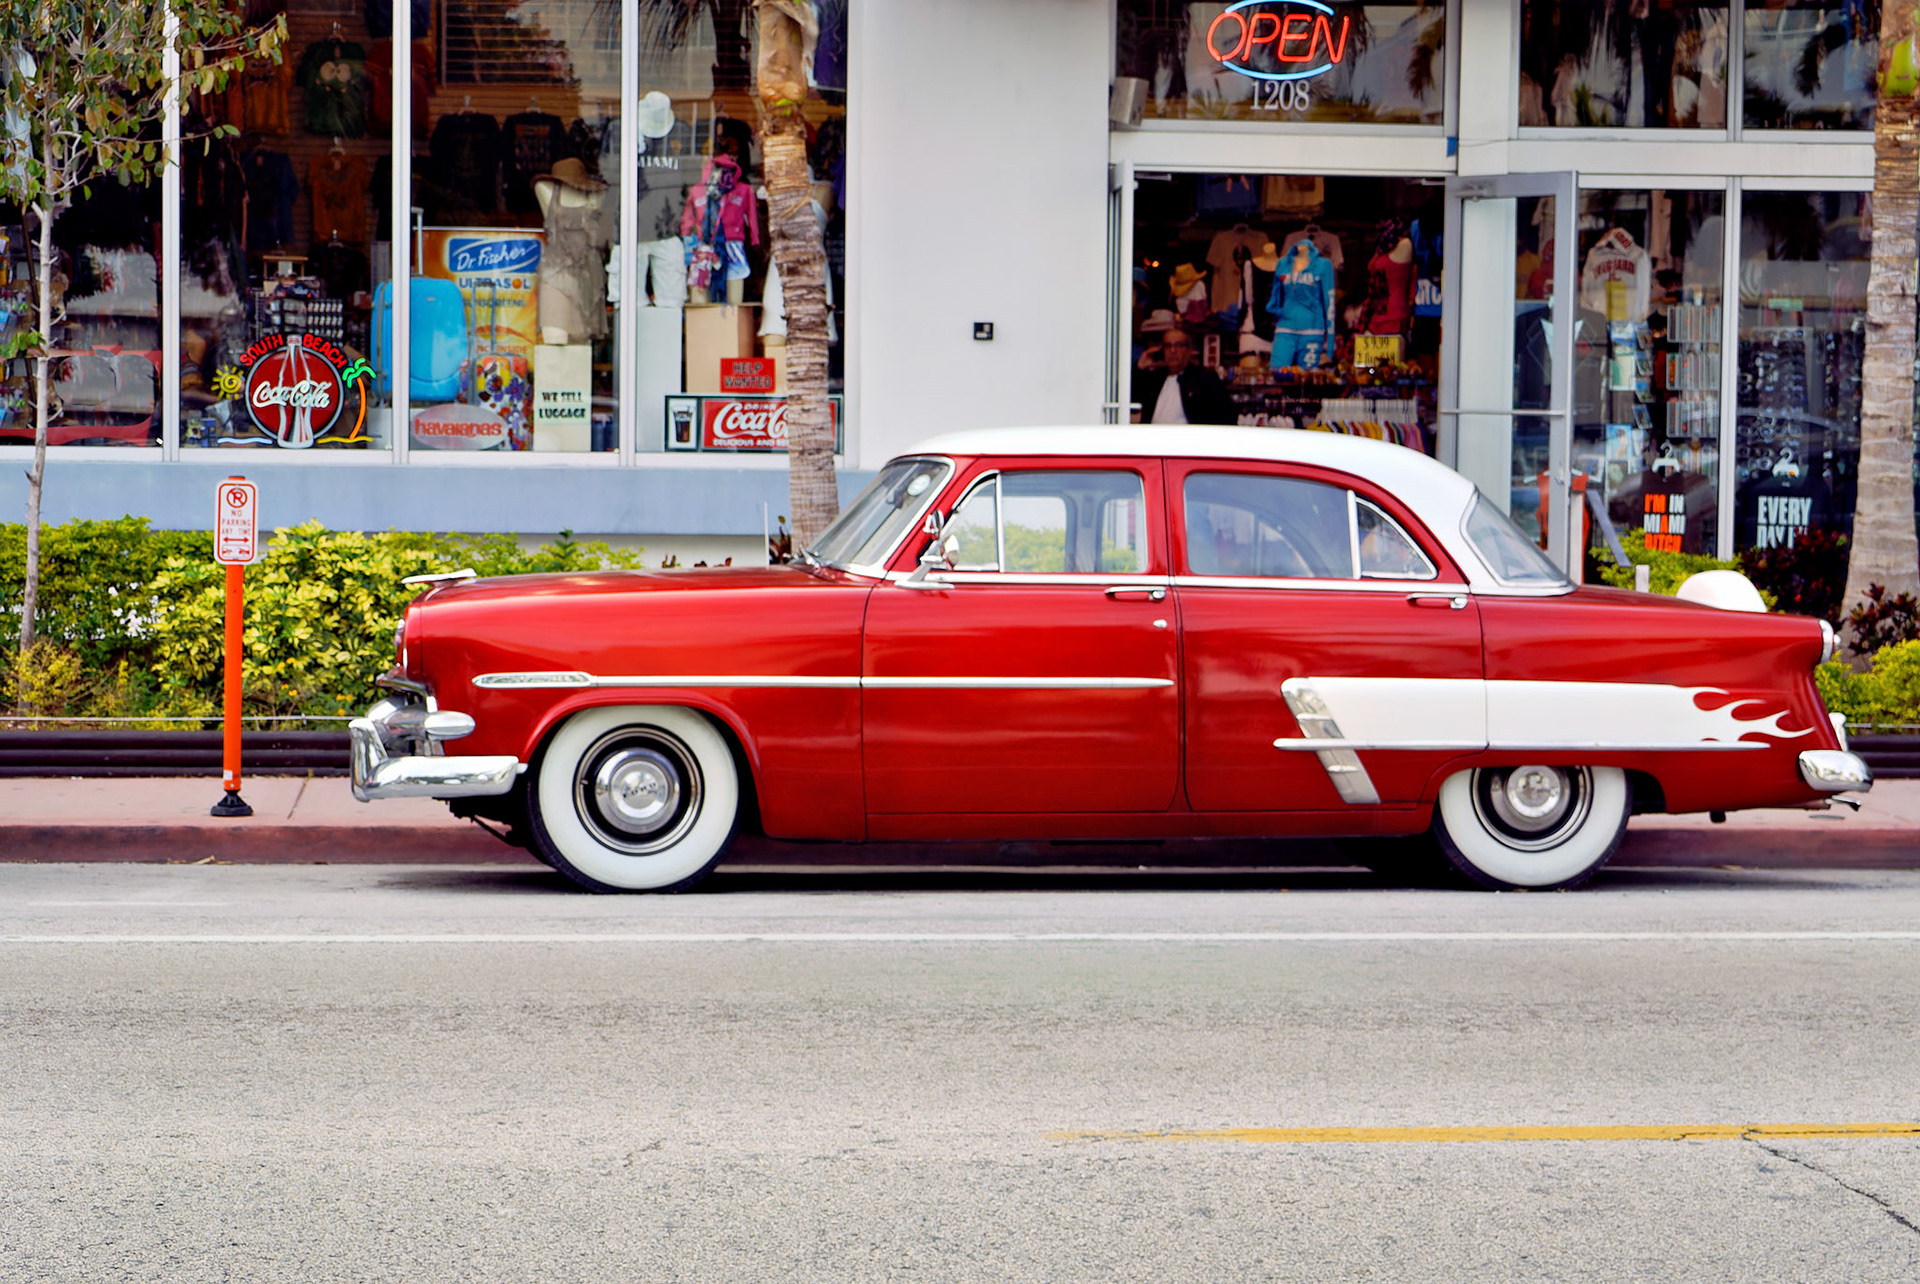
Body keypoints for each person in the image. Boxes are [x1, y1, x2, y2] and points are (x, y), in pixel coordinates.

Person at [1133, 326, 1234, 425]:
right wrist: (1140, 367)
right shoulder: (1155, 379)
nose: (1172, 350)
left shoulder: (1205, 379)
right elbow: (1129, 401)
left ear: (1189, 350)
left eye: (1178, 345)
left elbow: (1225, 416)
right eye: (1168, 346)